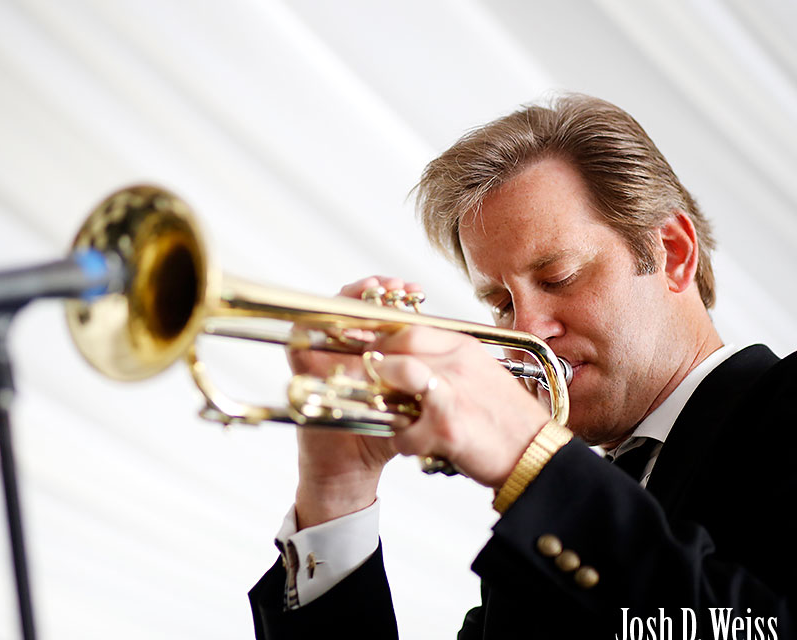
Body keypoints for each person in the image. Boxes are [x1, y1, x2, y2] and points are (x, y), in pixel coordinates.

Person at [248, 94, 797, 639]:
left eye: (559, 278)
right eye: (502, 303)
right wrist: (335, 497)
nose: (527, 332)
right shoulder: (536, 546)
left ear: (672, 252)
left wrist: (531, 461)